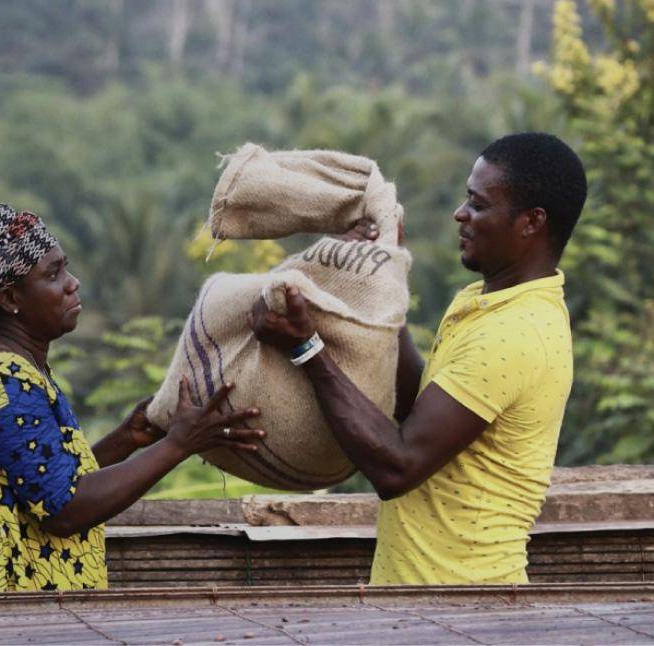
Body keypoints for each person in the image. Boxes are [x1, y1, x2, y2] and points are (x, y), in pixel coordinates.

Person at [0, 203, 263, 596]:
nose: (72, 283)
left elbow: (43, 478)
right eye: (53, 274)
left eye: (65, 268)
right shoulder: (1, 379)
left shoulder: (18, 369)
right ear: (9, 298)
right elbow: (63, 510)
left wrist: (127, 439)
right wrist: (178, 445)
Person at [249, 132, 587, 585]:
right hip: (423, 601)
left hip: (466, 603)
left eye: (479, 204)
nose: (460, 214)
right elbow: (414, 409)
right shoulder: (481, 302)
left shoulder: (514, 333)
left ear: (531, 222)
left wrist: (306, 349)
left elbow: (397, 466)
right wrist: (384, 277)